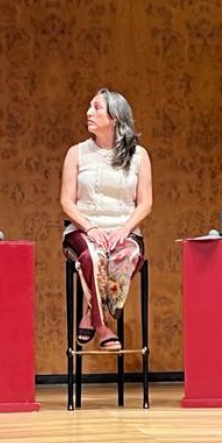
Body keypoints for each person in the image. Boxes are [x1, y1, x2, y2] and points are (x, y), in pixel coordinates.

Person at [60, 88, 153, 351]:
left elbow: (145, 202)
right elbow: (67, 201)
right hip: (83, 229)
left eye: (97, 108)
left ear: (114, 117)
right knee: (94, 256)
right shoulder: (76, 153)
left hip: (124, 231)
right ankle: (102, 326)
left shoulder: (139, 155)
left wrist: (125, 229)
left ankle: (90, 313)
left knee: (128, 256)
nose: (89, 113)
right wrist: (90, 227)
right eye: (90, 107)